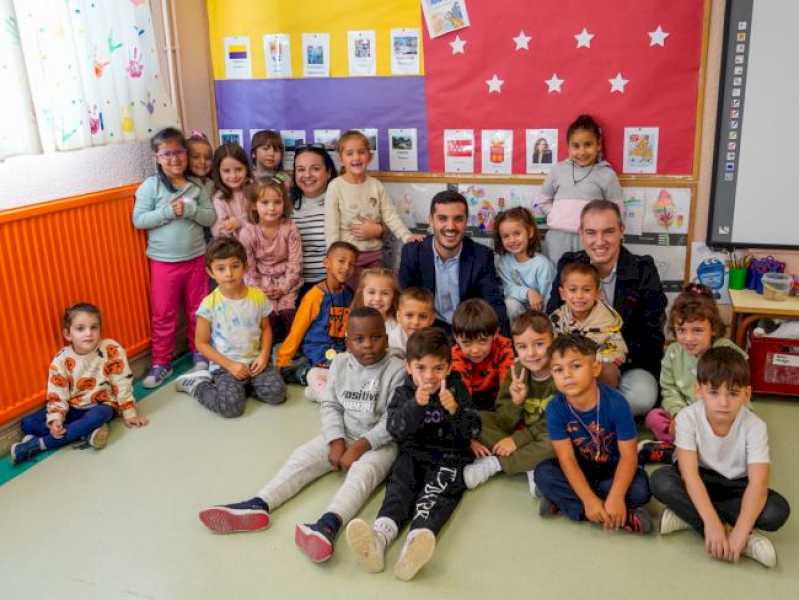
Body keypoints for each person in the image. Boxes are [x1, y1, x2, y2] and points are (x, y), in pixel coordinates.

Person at [197, 307, 406, 564]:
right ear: (347, 340)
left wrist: (360, 447)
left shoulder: (397, 370)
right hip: (343, 433)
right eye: (360, 339)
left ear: (386, 338)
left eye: (376, 337)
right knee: (301, 458)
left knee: (362, 477)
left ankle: (327, 526)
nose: (369, 346)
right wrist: (336, 441)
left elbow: (394, 420)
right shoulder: (340, 363)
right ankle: (259, 503)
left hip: (379, 444)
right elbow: (331, 405)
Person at [345, 328, 481, 581]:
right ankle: (378, 540)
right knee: (399, 490)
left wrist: (455, 411)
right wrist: (415, 406)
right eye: (421, 368)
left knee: (435, 496)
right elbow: (395, 429)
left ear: (449, 368)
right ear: (408, 367)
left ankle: (414, 545)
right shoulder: (405, 393)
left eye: (438, 368)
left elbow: (473, 429)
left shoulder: (457, 390)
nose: (429, 376)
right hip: (412, 454)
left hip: (449, 457)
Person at [651, 347, 790, 568]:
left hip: (736, 487)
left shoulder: (755, 426)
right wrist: (713, 524)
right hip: (700, 480)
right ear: (699, 390)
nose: (723, 403)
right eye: (714, 392)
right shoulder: (688, 418)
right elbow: (690, 475)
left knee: (777, 511)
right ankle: (730, 534)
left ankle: (688, 517)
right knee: (661, 480)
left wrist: (741, 532)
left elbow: (758, 483)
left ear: (747, 394)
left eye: (733, 393)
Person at [547, 199, 667, 416]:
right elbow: (553, 316)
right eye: (591, 232)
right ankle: (592, 407)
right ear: (581, 233)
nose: (600, 241)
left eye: (608, 232)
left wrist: (614, 356)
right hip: (573, 362)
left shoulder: (643, 270)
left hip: (625, 364)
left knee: (642, 397)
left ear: (622, 231)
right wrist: (582, 363)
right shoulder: (569, 266)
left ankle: (586, 408)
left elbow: (652, 336)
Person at [533, 334, 653, 534]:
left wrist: (615, 496)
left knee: (641, 488)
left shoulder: (616, 403)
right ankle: (614, 516)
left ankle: (567, 503)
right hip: (580, 469)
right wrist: (589, 500)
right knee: (543, 473)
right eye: (558, 369)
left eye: (576, 366)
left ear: (595, 368)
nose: (567, 375)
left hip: (612, 471)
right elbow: (567, 459)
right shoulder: (555, 408)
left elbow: (629, 456)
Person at [11, 304, 149, 464]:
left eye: (94, 327)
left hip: (102, 405)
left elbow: (122, 382)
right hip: (73, 408)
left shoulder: (111, 349)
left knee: (98, 416)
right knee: (27, 423)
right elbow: (57, 394)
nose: (89, 333)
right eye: (80, 328)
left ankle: (39, 444)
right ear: (68, 334)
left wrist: (129, 412)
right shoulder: (61, 359)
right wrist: (56, 420)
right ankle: (87, 433)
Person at [133, 126, 216, 386]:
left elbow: (210, 217)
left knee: (198, 311)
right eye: (166, 154)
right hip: (164, 263)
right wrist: (168, 212)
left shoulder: (195, 186)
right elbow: (139, 220)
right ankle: (161, 362)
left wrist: (191, 211)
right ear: (156, 157)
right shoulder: (151, 186)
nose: (174, 159)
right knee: (163, 314)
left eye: (179, 152)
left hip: (196, 259)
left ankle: (199, 353)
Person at [174, 238, 286, 417]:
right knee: (231, 408)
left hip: (255, 362)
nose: (229, 273)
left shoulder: (257, 296)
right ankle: (198, 385)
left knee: (277, 394)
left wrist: (264, 356)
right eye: (221, 268)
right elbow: (201, 343)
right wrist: (231, 366)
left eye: (235, 266)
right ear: (210, 272)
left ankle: (242, 388)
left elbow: (265, 328)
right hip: (225, 367)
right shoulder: (208, 305)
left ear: (245, 267)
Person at [641, 284, 746, 464]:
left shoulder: (726, 352)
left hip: (720, 415)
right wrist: (678, 416)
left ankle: (678, 452)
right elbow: (669, 390)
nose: (688, 338)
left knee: (739, 432)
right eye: (681, 330)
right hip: (686, 416)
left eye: (697, 330)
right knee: (653, 418)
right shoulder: (673, 352)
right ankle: (692, 451)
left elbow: (732, 397)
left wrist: (700, 422)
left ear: (713, 329)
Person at [463, 311, 556, 491]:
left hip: (546, 433)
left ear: (553, 341)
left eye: (539, 344)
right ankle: (530, 463)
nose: (531, 353)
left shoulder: (561, 372)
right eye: (522, 347)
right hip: (520, 431)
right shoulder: (516, 370)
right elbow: (503, 421)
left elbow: (557, 423)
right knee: (477, 419)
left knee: (557, 442)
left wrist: (518, 440)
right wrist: (516, 402)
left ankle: (496, 463)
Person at [398, 189, 509, 335]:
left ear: (466, 221)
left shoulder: (482, 256)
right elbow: (404, 301)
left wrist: (505, 345)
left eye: (458, 219)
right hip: (426, 334)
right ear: (430, 220)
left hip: (468, 334)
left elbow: (494, 303)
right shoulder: (412, 253)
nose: (450, 226)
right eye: (442, 218)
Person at [325, 130, 424, 285]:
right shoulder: (335, 186)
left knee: (372, 299)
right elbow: (331, 226)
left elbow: (390, 215)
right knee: (352, 302)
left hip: (374, 256)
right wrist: (333, 258)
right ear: (341, 159)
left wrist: (407, 236)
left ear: (369, 157)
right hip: (347, 260)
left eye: (361, 152)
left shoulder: (376, 186)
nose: (356, 157)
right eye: (350, 153)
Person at [536, 114, 623, 266]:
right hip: (558, 237)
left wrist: (601, 231)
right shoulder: (558, 169)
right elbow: (543, 200)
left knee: (589, 277)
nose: (582, 152)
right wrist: (556, 215)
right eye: (576, 146)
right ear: (568, 147)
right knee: (559, 278)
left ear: (598, 145)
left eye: (588, 144)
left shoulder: (607, 174)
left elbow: (617, 210)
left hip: (591, 238)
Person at [277, 242, 359, 401]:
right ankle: (322, 391)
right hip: (316, 352)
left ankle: (319, 391)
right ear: (326, 263)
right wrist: (283, 361)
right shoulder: (314, 296)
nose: (347, 267)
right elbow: (297, 331)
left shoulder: (350, 295)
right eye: (341, 261)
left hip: (339, 353)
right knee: (318, 372)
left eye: (352, 264)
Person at [238, 179, 302, 337]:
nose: (272, 208)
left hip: (287, 280)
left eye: (277, 202)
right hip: (261, 282)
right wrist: (260, 289)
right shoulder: (248, 232)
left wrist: (284, 287)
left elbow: (295, 262)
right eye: (265, 202)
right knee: (268, 316)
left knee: (288, 313)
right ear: (254, 205)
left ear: (284, 203)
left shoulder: (290, 228)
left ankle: (294, 347)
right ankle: (269, 347)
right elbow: (248, 268)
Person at [550, 262, 627, 387]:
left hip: (595, 367)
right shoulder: (557, 319)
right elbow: (551, 345)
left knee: (609, 371)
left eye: (586, 290)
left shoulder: (607, 321)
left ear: (597, 294)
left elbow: (617, 348)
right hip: (566, 368)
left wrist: (595, 360)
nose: (579, 296)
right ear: (563, 294)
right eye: (573, 290)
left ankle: (603, 404)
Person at [450, 299, 514, 411]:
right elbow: (462, 395)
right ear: (456, 338)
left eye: (482, 341)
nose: (475, 350)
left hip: (497, 397)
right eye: (466, 342)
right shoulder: (456, 355)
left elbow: (507, 386)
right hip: (470, 400)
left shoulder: (503, 348)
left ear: (495, 334)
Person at [291, 144, 337, 295]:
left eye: (315, 168)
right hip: (294, 286)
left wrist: (379, 228)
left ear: (328, 172)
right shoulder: (283, 205)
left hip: (330, 283)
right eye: (301, 169)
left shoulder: (339, 201)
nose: (307, 175)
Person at [494, 207, 555, 318]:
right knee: (510, 304)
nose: (512, 240)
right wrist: (528, 292)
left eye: (517, 233)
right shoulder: (503, 262)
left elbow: (549, 297)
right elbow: (507, 289)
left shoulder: (542, 264)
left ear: (530, 232)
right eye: (506, 236)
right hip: (517, 317)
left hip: (541, 314)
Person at [351, 267, 401, 349]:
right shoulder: (353, 323)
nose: (377, 298)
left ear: (394, 296)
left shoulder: (398, 326)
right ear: (361, 294)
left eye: (385, 293)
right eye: (371, 292)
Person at [210, 142, 251, 239]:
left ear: (246, 168)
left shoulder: (253, 190)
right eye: (226, 171)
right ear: (218, 172)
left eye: (238, 169)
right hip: (233, 249)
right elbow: (218, 232)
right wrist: (229, 226)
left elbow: (260, 218)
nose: (233, 176)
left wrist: (239, 222)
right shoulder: (219, 198)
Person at [391, 287, 436, 358]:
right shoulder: (390, 341)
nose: (416, 322)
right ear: (398, 316)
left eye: (422, 316)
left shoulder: (436, 342)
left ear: (432, 319)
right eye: (409, 315)